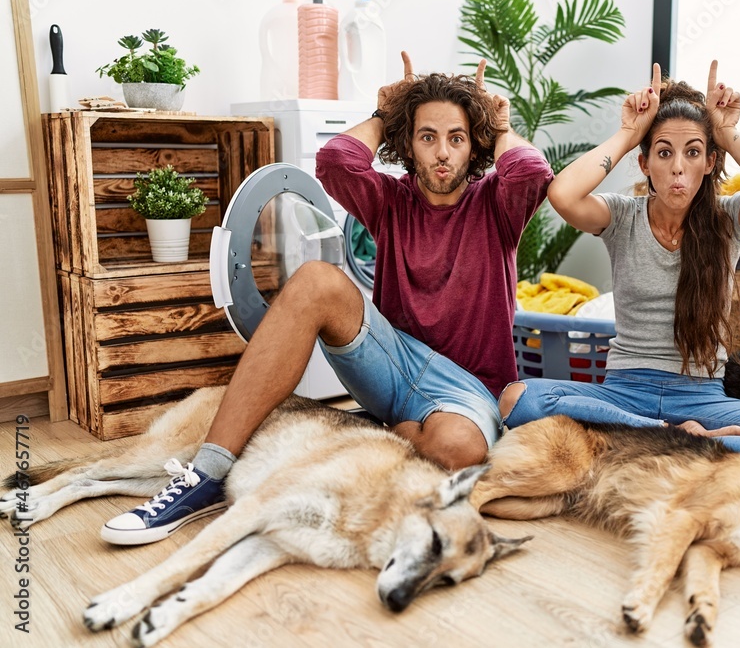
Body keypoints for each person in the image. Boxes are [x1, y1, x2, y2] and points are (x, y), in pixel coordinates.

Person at [101, 53, 553, 545]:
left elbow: (530, 172)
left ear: (474, 146)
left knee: (458, 448)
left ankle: (364, 435)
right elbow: (335, 161)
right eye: (428, 136)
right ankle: (205, 477)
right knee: (318, 278)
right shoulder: (390, 201)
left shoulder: (497, 205)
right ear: (409, 143)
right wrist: (385, 115)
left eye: (456, 137)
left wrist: (501, 124)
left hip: (469, 390)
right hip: (394, 363)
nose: (442, 152)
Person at [498, 61, 740, 474]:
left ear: (709, 163)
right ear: (645, 164)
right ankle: (681, 438)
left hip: (703, 397)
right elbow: (563, 194)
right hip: (623, 392)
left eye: (693, 152)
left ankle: (645, 439)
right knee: (517, 398)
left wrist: (725, 134)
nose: (677, 167)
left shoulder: (728, 220)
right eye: (663, 152)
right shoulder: (622, 216)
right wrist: (628, 133)